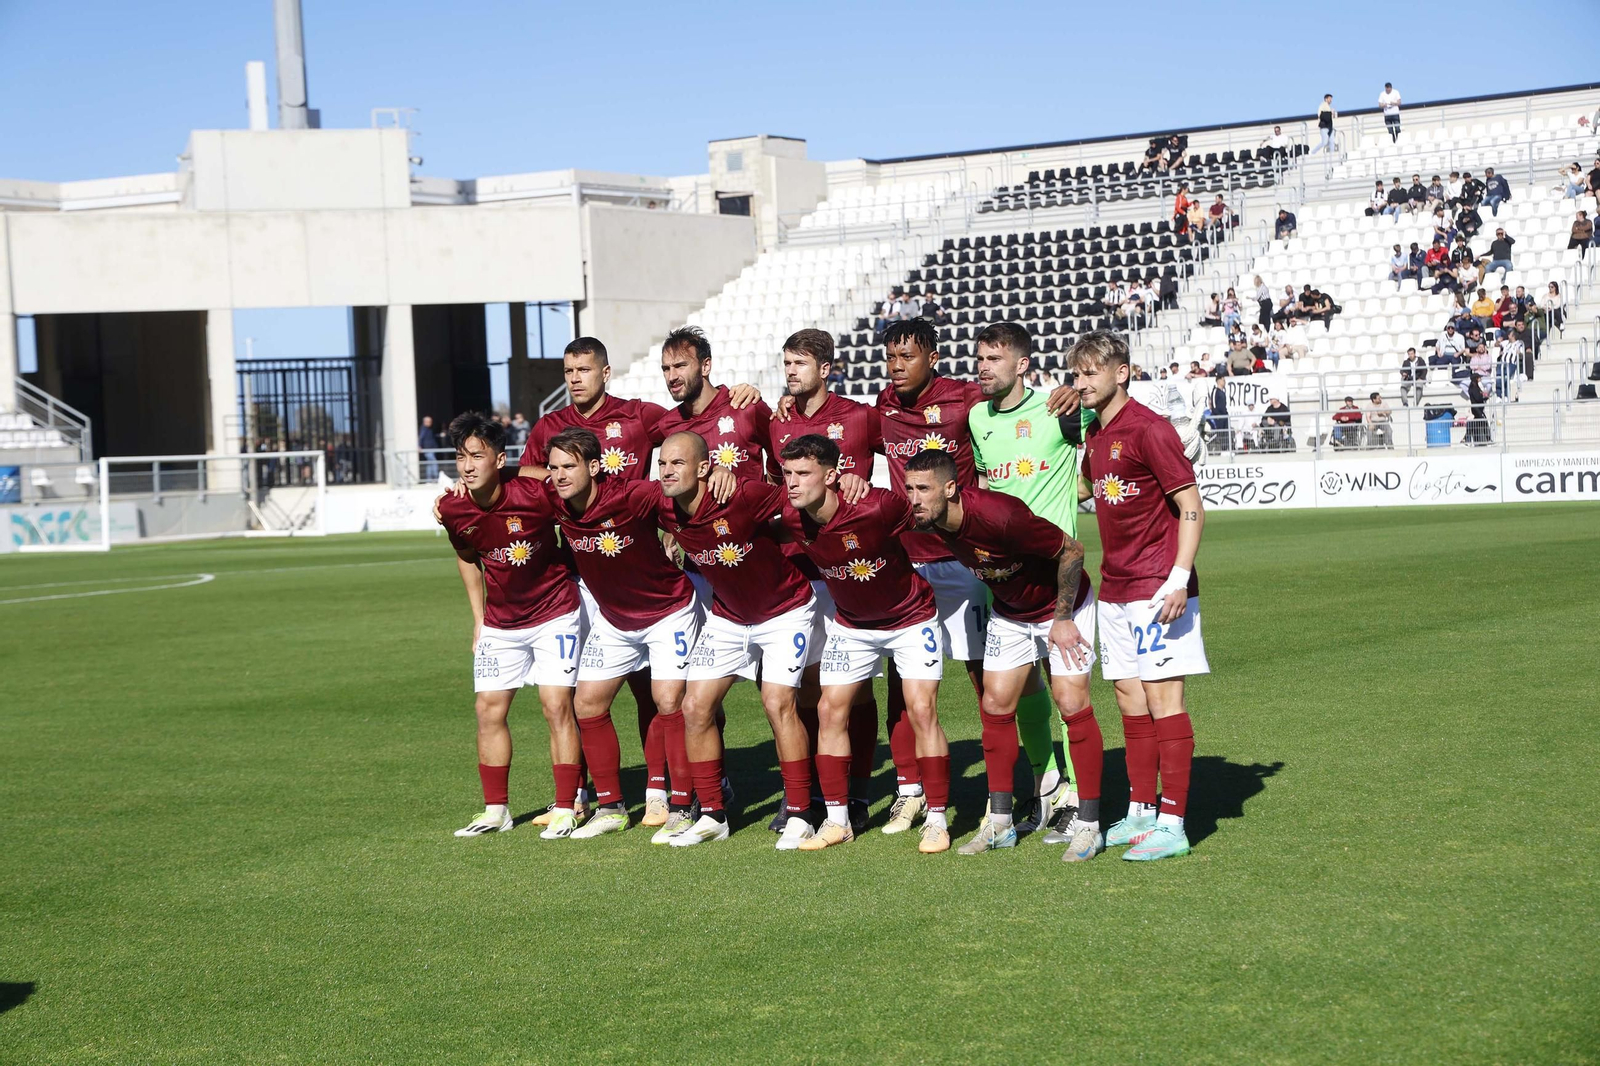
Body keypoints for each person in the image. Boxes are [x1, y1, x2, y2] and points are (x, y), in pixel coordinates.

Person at [519, 335, 762, 828]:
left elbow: (687, 440)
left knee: (668, 694)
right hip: (592, 580)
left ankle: (672, 790)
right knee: (588, 696)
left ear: (605, 373)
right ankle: (590, 797)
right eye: (568, 372)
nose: (574, 379)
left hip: (660, 571)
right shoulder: (550, 427)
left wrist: (741, 397)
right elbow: (525, 477)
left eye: (583, 370)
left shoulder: (644, 416)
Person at [904, 452, 1102, 858]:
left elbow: (1073, 550)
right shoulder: (928, 522)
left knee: (1070, 701)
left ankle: (1090, 823)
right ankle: (999, 823)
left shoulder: (1001, 516)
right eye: (909, 489)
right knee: (994, 704)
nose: (914, 499)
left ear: (951, 488)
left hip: (1063, 609)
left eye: (923, 489)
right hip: (1011, 613)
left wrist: (1062, 619)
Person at [1070, 331, 1209, 861]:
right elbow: (1082, 490)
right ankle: (1141, 811)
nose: (1081, 383)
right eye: (1077, 374)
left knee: (1162, 698)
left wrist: (1179, 578)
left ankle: (1173, 824)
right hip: (1115, 585)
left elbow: (1192, 507)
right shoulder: (1095, 435)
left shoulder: (1150, 430)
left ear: (1121, 372)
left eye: (1090, 373)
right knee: (1129, 696)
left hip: (1157, 586)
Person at [777, 434, 952, 853]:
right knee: (828, 709)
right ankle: (837, 821)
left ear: (833, 476)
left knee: (922, 709)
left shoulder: (878, 506)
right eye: (787, 474)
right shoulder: (791, 515)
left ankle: (938, 819)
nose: (793, 483)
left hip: (911, 618)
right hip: (852, 626)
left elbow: (931, 516)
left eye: (804, 473)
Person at [654, 432, 818, 849]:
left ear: (704, 468)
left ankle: (801, 811)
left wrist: (845, 485)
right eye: (662, 464)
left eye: (677, 463)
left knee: (778, 703)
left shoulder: (742, 495)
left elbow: (798, 501)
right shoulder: (662, 505)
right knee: (694, 707)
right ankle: (712, 814)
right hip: (728, 617)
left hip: (786, 611)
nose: (668, 471)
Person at [538, 428, 702, 841]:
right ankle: (611, 807)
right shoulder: (554, 501)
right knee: (587, 703)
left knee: (669, 701)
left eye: (569, 466)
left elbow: (680, 487)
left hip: (669, 611)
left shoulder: (631, 495)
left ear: (595, 467)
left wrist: (719, 475)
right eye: (554, 468)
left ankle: (682, 805)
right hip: (614, 620)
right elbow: (512, 484)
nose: (559, 476)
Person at [965, 322, 1095, 835]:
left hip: (1058, 578)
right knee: (1015, 692)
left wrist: (1077, 393)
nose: (983, 367)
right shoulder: (978, 417)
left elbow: (1109, 416)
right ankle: (1049, 784)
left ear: (1022, 365)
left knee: (1070, 698)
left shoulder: (1058, 409)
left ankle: (1081, 801)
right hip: (1006, 585)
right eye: (980, 358)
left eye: (994, 359)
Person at [436, 412, 586, 840]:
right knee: (488, 710)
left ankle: (565, 808)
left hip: (556, 610)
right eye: (461, 457)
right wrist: (478, 619)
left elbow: (563, 480)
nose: (467, 466)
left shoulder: (534, 494)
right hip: (501, 623)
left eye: (477, 457)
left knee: (556, 706)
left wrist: (519, 468)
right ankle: (495, 809)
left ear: (498, 460)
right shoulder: (452, 507)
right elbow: (466, 555)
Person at [770, 329, 884, 831]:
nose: (791, 372)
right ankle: (810, 791)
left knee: (851, 691)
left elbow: (906, 456)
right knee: (798, 691)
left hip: (849, 571)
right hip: (793, 569)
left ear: (827, 368)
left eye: (800, 363)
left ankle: (857, 793)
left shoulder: (859, 416)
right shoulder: (772, 419)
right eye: (786, 363)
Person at [1465, 373, 1491, 445]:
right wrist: (1484, 397)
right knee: (1483, 423)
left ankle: (1473, 440)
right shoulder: (1473, 388)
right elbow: (1477, 398)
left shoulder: (1476, 387)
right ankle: (1488, 439)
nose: (1480, 379)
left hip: (1478, 408)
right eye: (1479, 378)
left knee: (1476, 425)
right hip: (1476, 409)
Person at [418, 415, 441, 480]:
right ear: (425, 422)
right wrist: (419, 446)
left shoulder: (429, 429)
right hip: (427, 449)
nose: (430, 423)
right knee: (434, 462)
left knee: (430, 464)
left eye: (430, 421)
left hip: (431, 448)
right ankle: (435, 477)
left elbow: (432, 437)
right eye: (429, 421)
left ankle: (429, 479)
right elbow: (421, 438)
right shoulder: (424, 429)